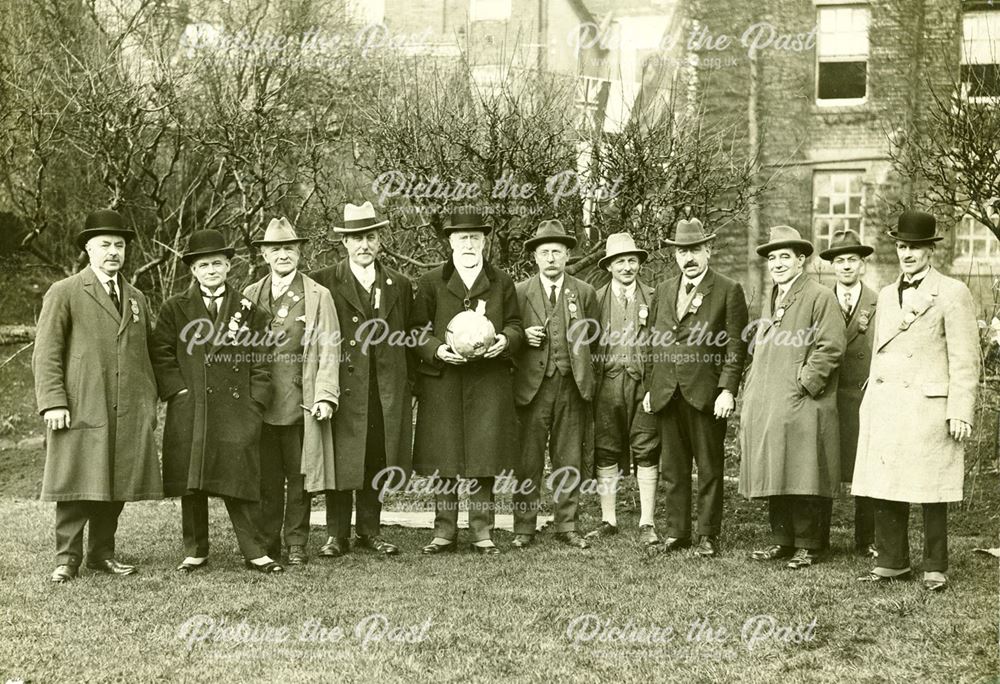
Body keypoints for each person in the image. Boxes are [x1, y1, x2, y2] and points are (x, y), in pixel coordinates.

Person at [33, 209, 163, 583]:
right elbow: (46, 353)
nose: (113, 252)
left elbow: (147, 353)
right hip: (81, 406)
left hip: (126, 410)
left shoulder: (137, 297)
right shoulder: (65, 292)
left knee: (116, 483)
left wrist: (148, 402)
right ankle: (67, 558)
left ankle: (101, 553)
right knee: (76, 483)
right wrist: (53, 401)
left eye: (119, 245)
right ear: (88, 250)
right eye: (104, 245)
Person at [854, 210, 979, 592]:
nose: (907, 254)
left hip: (928, 405)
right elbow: (881, 352)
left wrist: (960, 410)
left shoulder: (953, 292)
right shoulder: (889, 295)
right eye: (902, 246)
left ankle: (935, 565)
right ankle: (892, 562)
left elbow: (965, 357)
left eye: (915, 247)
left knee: (931, 486)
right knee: (887, 480)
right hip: (888, 401)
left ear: (930, 251)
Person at [150, 229, 282, 573]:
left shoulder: (250, 310)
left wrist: (256, 401)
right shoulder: (174, 308)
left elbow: (263, 358)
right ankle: (195, 550)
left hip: (237, 410)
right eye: (203, 265)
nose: (211, 270)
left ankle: (255, 551)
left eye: (217, 264)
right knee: (193, 482)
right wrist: (177, 391)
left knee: (239, 478)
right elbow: (161, 354)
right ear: (192, 270)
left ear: (228, 266)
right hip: (191, 407)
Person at [410, 212, 524, 555]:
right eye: (462, 238)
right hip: (443, 381)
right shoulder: (431, 281)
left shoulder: (502, 281)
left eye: (475, 237)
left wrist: (506, 339)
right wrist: (438, 350)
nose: (469, 244)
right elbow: (415, 331)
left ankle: (481, 531)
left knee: (482, 456)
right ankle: (444, 532)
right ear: (451, 242)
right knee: (443, 456)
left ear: (484, 241)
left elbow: (517, 324)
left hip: (487, 381)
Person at [311, 202, 413, 557]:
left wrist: (407, 385)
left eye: (370, 237)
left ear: (380, 240)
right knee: (340, 457)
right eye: (356, 238)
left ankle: (370, 530)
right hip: (341, 384)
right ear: (345, 243)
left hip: (383, 387)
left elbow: (410, 337)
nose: (364, 245)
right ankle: (335, 535)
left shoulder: (398, 283)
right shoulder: (324, 280)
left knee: (376, 456)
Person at [740, 225, 845, 569]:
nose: (778, 263)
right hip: (773, 400)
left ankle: (810, 544)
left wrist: (805, 382)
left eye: (785, 257)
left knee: (806, 471)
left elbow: (831, 346)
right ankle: (783, 541)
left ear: (801, 261)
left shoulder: (819, 296)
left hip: (804, 400)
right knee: (779, 468)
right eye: (772, 258)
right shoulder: (774, 296)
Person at [642, 218, 748, 557]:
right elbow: (652, 343)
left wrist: (727, 390)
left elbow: (736, 347)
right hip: (667, 392)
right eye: (682, 252)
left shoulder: (728, 289)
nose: (688, 258)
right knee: (673, 469)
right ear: (675, 256)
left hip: (706, 395)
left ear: (708, 251)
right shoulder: (663, 290)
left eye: (695, 251)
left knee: (710, 468)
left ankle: (707, 535)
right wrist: (650, 387)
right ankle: (677, 533)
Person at [243, 217, 339, 566]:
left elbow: (330, 349)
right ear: (265, 255)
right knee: (266, 478)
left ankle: (296, 542)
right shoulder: (251, 293)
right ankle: (268, 541)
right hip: (261, 402)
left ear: (299, 252)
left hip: (301, 400)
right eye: (275, 249)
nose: (282, 255)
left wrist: (326, 395)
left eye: (289, 248)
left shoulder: (318, 295)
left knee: (300, 477)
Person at [512, 219, 599, 550]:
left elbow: (596, 342)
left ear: (567, 256)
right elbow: (509, 336)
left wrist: (587, 381)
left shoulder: (585, 292)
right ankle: (523, 527)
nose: (551, 258)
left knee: (568, 459)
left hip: (571, 386)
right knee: (527, 460)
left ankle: (566, 524)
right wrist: (523, 338)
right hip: (532, 388)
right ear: (535, 257)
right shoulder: (520, 292)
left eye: (557, 252)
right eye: (544, 252)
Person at [586, 232, 661, 546]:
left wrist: (654, 387)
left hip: (642, 385)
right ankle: (608, 519)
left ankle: (647, 522)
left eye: (632, 261)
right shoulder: (596, 298)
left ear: (640, 264)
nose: (627, 267)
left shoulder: (655, 296)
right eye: (620, 261)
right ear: (609, 266)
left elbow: (662, 346)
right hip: (607, 384)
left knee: (646, 446)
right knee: (606, 448)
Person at [817, 229, 877, 557]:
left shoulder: (879, 301)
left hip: (863, 396)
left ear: (862, 265)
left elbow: (886, 347)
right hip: (827, 395)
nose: (846, 267)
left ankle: (865, 539)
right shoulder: (820, 300)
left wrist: (878, 376)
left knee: (865, 466)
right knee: (823, 465)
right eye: (839, 261)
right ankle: (818, 538)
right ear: (831, 266)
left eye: (852, 260)